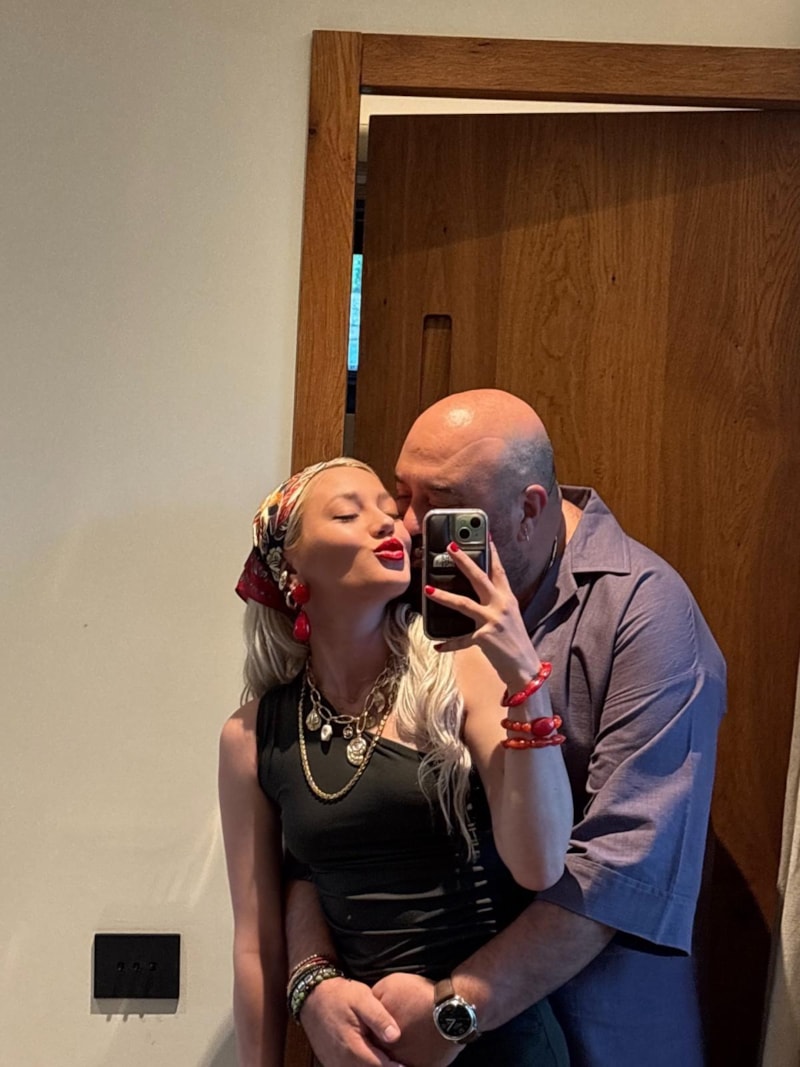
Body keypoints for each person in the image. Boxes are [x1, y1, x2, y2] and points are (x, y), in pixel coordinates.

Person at [293, 390, 727, 1067]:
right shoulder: (408, 592)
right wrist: (311, 982)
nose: (407, 526)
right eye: (401, 494)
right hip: (409, 1025)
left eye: (439, 505)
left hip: (594, 1030)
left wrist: (457, 1007)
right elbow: (312, 817)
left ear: (528, 508)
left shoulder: (644, 615)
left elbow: (619, 874)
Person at [218, 456, 574, 1067]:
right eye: (348, 514)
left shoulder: (464, 673)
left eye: (389, 510)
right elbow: (256, 944)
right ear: (290, 564)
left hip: (494, 1041)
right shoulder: (251, 735)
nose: (390, 525)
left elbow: (540, 864)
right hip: (362, 1047)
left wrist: (524, 677)